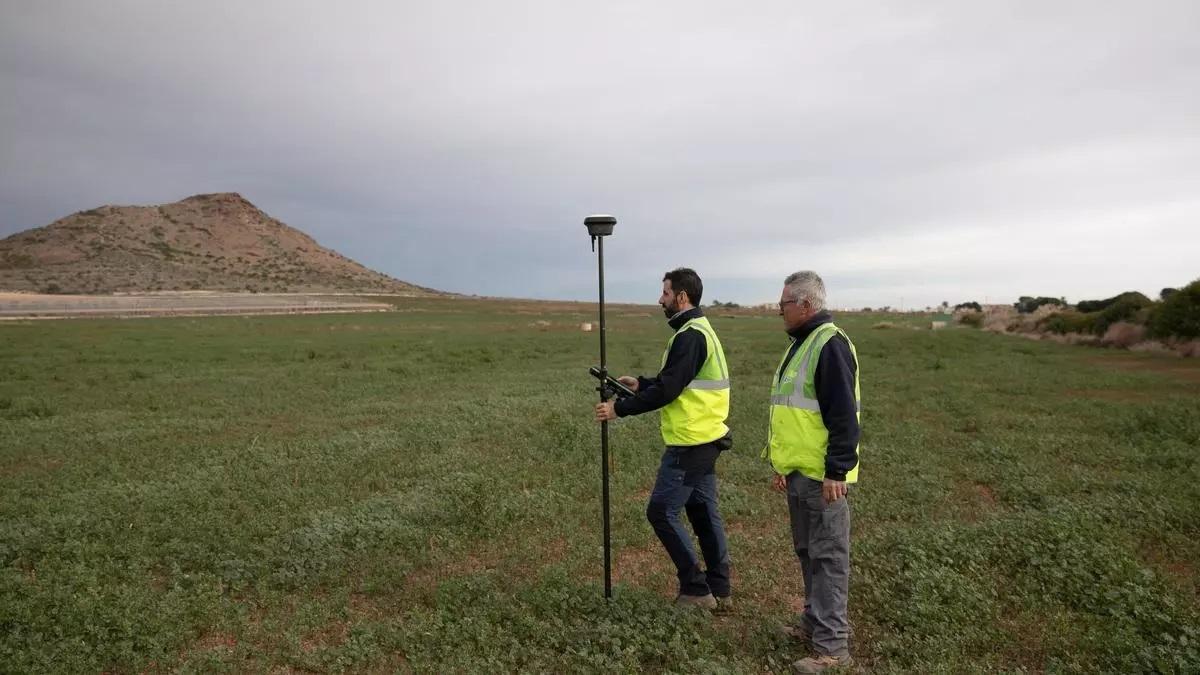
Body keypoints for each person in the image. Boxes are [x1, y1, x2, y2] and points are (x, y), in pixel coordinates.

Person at [594, 267, 733, 610]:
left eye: (666, 293)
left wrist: (619, 409)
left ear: (682, 297)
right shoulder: (697, 331)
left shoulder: (690, 335)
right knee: (702, 513)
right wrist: (641, 384)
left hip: (691, 442)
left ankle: (696, 590)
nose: (661, 299)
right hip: (706, 437)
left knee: (661, 511)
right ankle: (720, 587)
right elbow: (676, 379)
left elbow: (671, 390)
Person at [763, 271, 861, 673]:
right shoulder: (802, 344)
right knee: (808, 554)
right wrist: (784, 466)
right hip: (801, 474)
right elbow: (794, 416)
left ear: (805, 305)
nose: (779, 310)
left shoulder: (829, 345)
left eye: (784, 304)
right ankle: (814, 624)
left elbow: (844, 416)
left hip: (824, 480)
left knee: (828, 558)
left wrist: (837, 470)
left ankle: (833, 649)